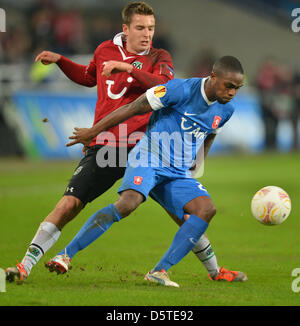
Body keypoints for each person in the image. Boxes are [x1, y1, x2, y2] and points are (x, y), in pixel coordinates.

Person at [5, 2, 245, 284]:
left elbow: (162, 83)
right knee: (70, 203)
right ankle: (25, 265)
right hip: (108, 143)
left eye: (151, 28)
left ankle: (214, 270)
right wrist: (61, 61)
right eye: (141, 28)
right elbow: (87, 77)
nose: (147, 34)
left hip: (147, 144)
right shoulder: (104, 50)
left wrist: (126, 67)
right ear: (126, 29)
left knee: (186, 215)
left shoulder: (159, 56)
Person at [62, 55, 246, 287]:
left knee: (205, 209)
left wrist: (199, 161)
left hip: (177, 172)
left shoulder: (226, 109)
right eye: (229, 86)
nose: (232, 93)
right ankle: (65, 254)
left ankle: (159, 271)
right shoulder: (179, 89)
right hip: (149, 158)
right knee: (128, 204)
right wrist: (93, 132)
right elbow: (132, 107)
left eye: (237, 88)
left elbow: (210, 132)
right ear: (213, 77)